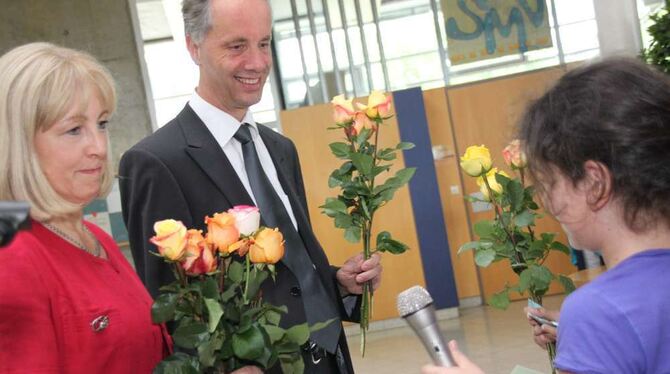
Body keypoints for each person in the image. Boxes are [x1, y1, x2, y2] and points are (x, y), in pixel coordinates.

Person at [118, 0, 382, 373]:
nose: (257, 63)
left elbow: (292, 272)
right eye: (237, 45)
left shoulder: (280, 150)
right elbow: (168, 311)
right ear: (194, 46)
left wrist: (337, 284)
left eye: (264, 42)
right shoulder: (156, 162)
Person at [422, 58, 670, 373]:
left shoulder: (597, 311)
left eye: (549, 182)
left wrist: (592, 330)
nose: (546, 200)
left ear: (595, 182)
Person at [0, 42, 170, 373]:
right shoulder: (13, 254)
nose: (99, 146)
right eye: (74, 130)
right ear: (20, 145)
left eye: (102, 124)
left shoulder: (92, 235)